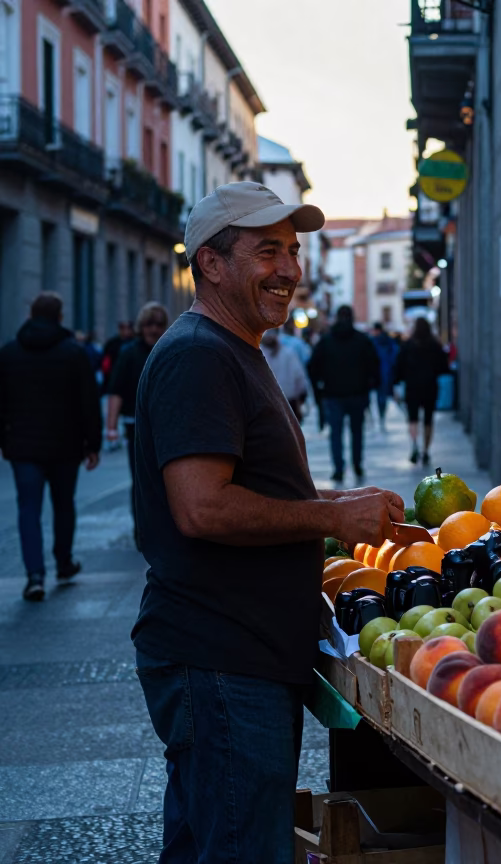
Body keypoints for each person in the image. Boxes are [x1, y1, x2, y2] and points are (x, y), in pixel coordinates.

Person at [131, 181, 404, 863]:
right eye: (265, 252)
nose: (288, 269)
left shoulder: (235, 349)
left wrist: (337, 498)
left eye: (292, 251)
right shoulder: (200, 355)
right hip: (221, 660)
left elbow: (246, 483)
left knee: (207, 845)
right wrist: (334, 515)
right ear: (211, 263)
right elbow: (202, 505)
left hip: (235, 657)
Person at [0, 293, 102, 601]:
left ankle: (34, 574)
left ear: (31, 315)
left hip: (23, 445)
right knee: (63, 504)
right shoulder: (73, 353)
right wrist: (92, 443)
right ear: (60, 317)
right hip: (65, 445)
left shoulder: (9, 353)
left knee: (28, 508)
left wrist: (5, 439)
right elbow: (88, 402)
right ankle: (63, 562)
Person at [105, 302, 170, 549]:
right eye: (149, 324)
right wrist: (111, 427)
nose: (154, 329)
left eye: (159, 324)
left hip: (169, 426)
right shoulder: (129, 353)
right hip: (136, 427)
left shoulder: (170, 349)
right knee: (141, 481)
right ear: (141, 327)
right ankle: (142, 531)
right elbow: (116, 390)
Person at [307, 305, 379, 482]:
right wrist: (369, 384)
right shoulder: (362, 340)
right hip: (358, 394)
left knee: (336, 433)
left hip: (333, 394)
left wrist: (320, 385)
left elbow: (312, 366)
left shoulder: (326, 341)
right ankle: (357, 464)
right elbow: (374, 366)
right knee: (357, 432)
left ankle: (338, 468)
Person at [392, 317, 449, 465]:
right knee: (428, 419)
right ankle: (425, 450)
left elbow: (398, 366)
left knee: (413, 419)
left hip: (412, 387)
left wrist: (397, 383)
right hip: (430, 386)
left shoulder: (408, 345)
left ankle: (414, 445)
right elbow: (443, 366)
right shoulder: (435, 345)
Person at [261, 328, 310, 422]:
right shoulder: (289, 354)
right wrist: (302, 395)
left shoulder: (257, 355)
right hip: (288, 402)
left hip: (265, 404)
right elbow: (299, 377)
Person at [371, 322, 399, 429]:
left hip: (378, 373)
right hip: (387, 372)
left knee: (380, 396)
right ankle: (382, 415)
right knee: (384, 396)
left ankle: (381, 415)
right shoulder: (389, 341)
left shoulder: (374, 342)